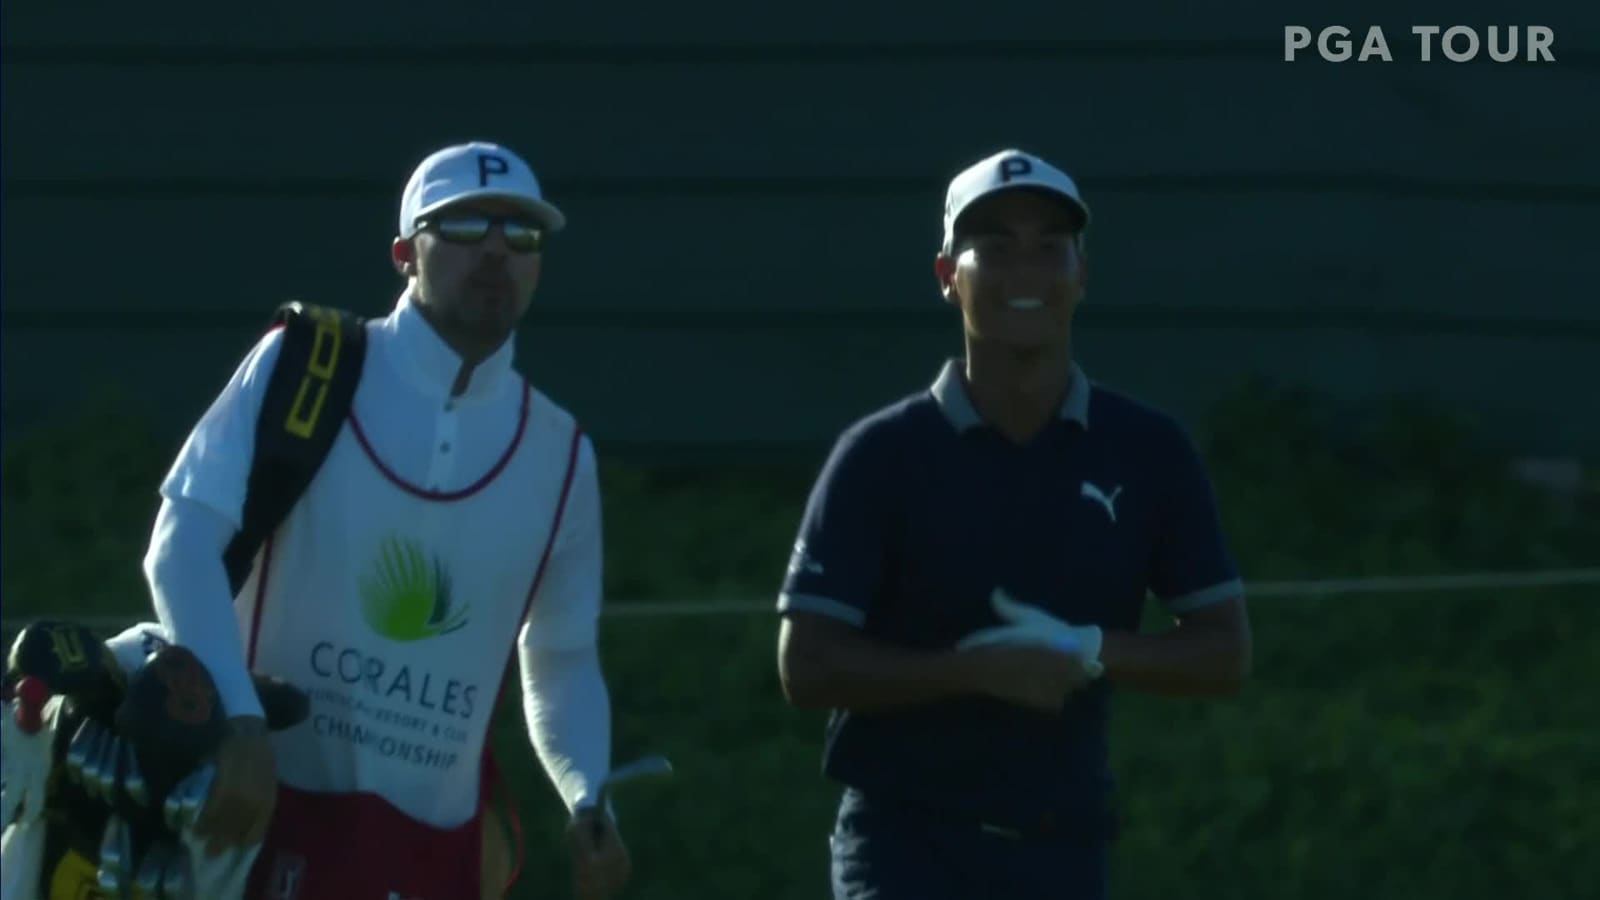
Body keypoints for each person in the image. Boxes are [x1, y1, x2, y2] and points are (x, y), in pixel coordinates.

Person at [141, 140, 632, 900]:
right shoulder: (306, 362)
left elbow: (562, 659)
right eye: (465, 227)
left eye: (522, 235)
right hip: (250, 820)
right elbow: (180, 547)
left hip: (430, 857)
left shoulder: (561, 453)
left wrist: (587, 794)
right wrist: (239, 725)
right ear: (405, 252)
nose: (498, 252)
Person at [775, 148, 1253, 900]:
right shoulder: (880, 454)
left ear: (1082, 276)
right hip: (901, 846)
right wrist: (975, 670)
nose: (1024, 271)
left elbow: (1223, 653)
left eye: (1049, 248)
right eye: (994, 249)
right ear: (946, 277)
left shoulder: (1149, 449)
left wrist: (1085, 648)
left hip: (1062, 847)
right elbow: (806, 666)